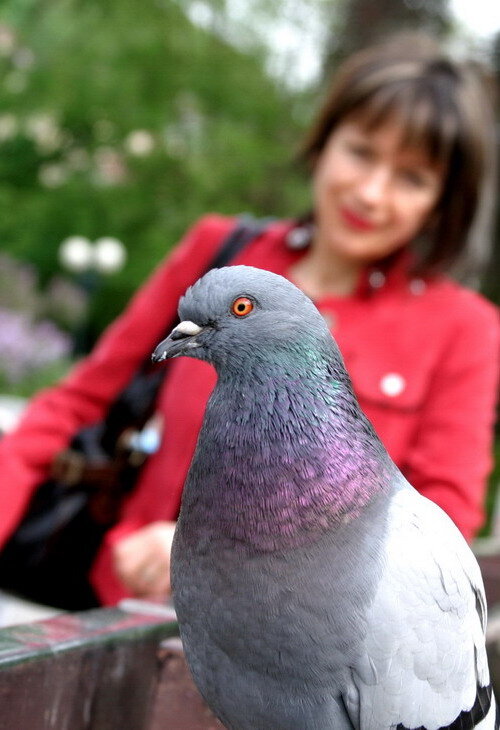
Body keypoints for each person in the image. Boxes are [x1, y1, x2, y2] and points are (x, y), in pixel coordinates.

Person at [0, 32, 498, 611]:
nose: (371, 192)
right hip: (116, 614)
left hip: (286, 660)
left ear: (441, 202)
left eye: (412, 178)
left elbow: (437, 533)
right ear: (325, 141)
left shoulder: (462, 328)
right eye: (361, 151)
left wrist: (209, 557)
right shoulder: (220, 254)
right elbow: (75, 406)